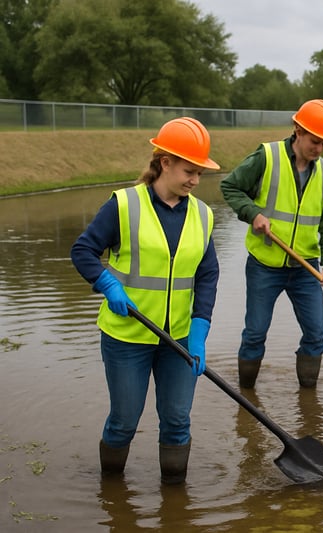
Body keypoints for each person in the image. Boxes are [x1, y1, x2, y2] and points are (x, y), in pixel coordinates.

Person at [71, 117, 220, 484]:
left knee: (177, 421)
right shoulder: (124, 205)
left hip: (180, 339)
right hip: (127, 335)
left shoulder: (203, 215)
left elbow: (207, 274)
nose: (195, 181)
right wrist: (107, 284)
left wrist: (200, 330)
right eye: (189, 171)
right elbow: (83, 250)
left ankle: (175, 504)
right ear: (165, 162)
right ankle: (112, 494)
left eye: (200, 173)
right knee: (124, 420)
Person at [220, 99, 323, 390]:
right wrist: (253, 214)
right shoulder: (267, 156)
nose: (319, 149)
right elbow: (230, 186)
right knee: (255, 333)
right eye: (315, 141)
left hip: (306, 268)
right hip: (265, 264)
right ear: (298, 130)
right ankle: (247, 396)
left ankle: (308, 397)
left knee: (316, 335)